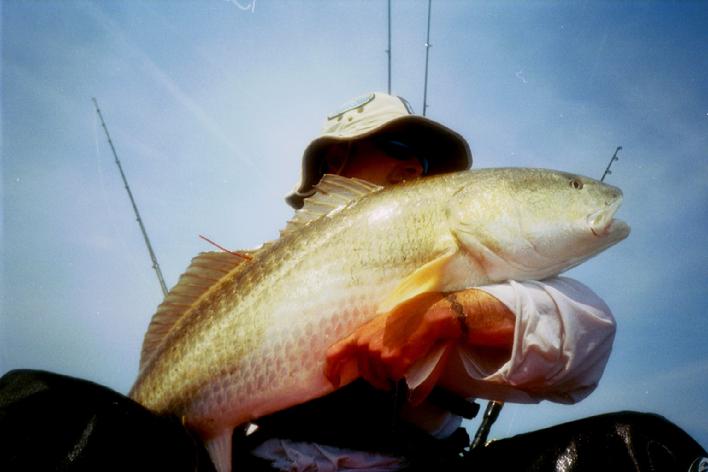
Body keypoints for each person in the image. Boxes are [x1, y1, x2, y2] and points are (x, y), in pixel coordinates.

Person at [0, 92, 705, 472]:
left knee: (636, 450)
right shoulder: (246, 273)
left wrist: (443, 316)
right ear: (335, 161)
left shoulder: (479, 282)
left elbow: (581, 339)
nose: (417, 170)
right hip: (252, 464)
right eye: (399, 147)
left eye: (434, 163)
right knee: (36, 408)